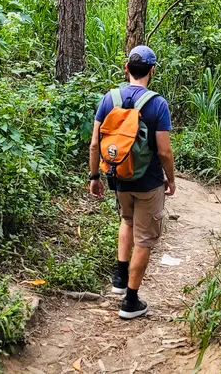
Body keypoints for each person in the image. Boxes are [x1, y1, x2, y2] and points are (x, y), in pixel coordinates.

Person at [88, 45, 176, 319]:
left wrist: (94, 177)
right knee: (145, 239)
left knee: (126, 221)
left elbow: (94, 144)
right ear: (152, 71)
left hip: (119, 177)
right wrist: (170, 180)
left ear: (126, 68)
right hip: (148, 182)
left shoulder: (109, 98)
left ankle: (119, 277)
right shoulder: (157, 104)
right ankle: (131, 301)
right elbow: (164, 151)